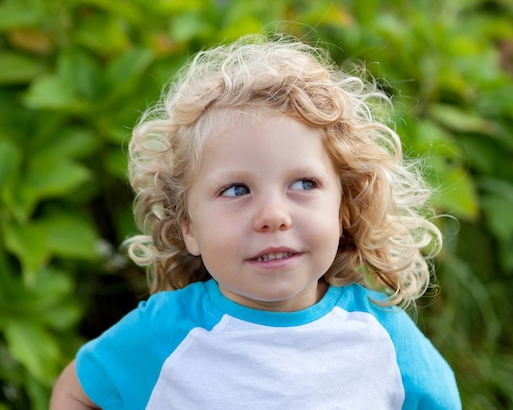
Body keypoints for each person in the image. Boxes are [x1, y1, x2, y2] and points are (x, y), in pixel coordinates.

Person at [50, 33, 462, 410]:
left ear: (344, 209)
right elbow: (75, 393)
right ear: (189, 227)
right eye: (235, 190)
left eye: (303, 183)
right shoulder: (162, 335)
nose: (272, 216)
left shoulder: (383, 335)